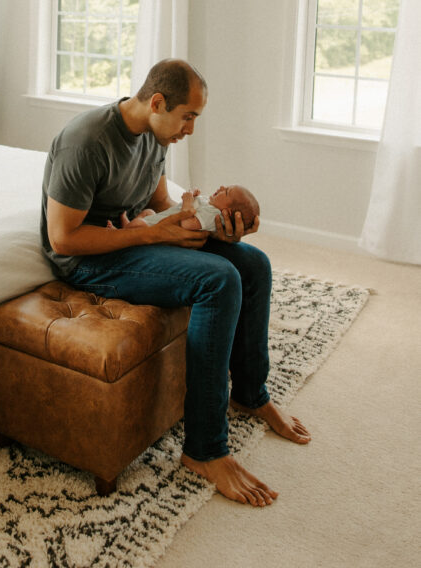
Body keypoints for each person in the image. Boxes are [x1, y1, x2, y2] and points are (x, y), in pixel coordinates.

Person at [40, 58, 310, 507]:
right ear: (158, 102)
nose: (190, 129)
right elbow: (62, 239)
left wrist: (205, 229)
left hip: (131, 241)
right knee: (219, 280)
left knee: (252, 264)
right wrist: (153, 234)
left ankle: (249, 393)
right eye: (189, 117)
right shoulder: (84, 141)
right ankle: (205, 450)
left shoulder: (153, 135)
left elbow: (158, 202)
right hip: (88, 261)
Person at [120, 184, 260, 234]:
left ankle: (123, 232)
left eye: (227, 191)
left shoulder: (213, 215)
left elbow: (186, 224)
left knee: (140, 224)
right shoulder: (211, 205)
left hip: (160, 228)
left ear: (227, 212)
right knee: (148, 212)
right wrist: (193, 195)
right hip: (159, 219)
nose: (222, 187)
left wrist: (187, 201)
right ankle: (127, 227)